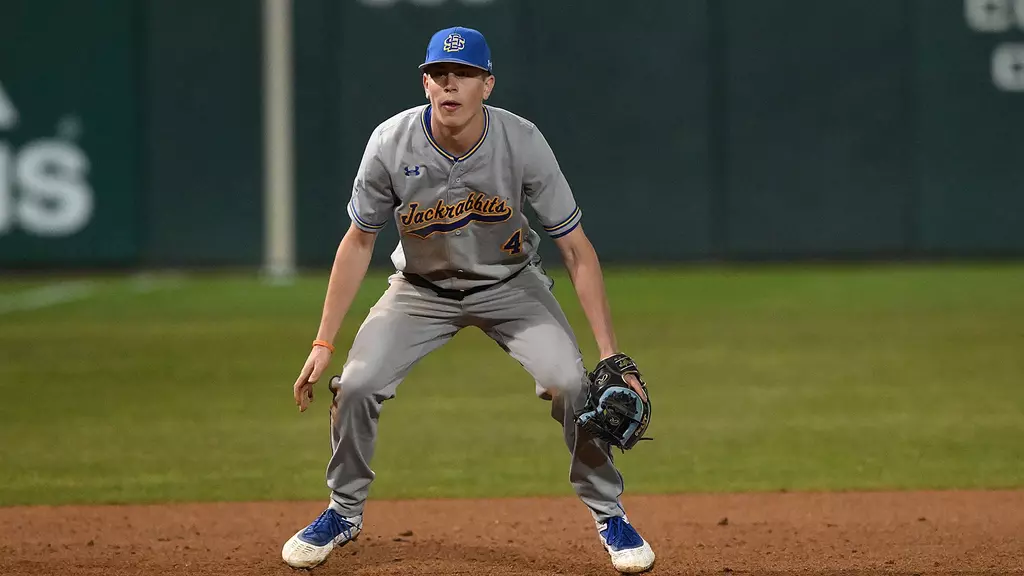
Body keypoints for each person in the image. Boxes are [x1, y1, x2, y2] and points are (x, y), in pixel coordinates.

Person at [280, 26, 656, 574]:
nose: (449, 84)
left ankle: (609, 514)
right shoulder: (391, 142)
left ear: (488, 85)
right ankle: (343, 510)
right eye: (438, 74)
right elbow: (358, 241)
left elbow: (575, 248)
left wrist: (609, 352)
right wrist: (323, 341)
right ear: (425, 82)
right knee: (357, 385)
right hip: (420, 291)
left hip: (511, 286)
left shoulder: (522, 141)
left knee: (573, 385)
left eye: (464, 75)